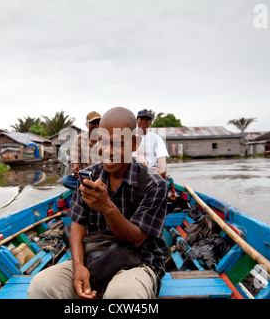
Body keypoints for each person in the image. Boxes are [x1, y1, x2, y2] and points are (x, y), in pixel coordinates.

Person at [28, 107, 168, 299]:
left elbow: (136, 239)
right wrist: (78, 267)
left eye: (118, 144)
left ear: (134, 143)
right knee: (41, 286)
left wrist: (107, 207)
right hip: (95, 257)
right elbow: (77, 225)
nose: (108, 151)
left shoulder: (155, 184)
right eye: (102, 141)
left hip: (138, 260)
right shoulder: (89, 177)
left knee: (125, 295)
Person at [61, 111, 101, 189]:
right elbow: (75, 157)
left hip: (101, 177)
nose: (96, 126)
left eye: (98, 123)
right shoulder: (79, 138)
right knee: (66, 180)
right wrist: (76, 168)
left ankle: (89, 187)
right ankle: (92, 187)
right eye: (93, 123)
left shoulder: (105, 139)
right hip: (86, 177)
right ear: (87, 125)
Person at [133, 109, 169, 179]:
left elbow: (161, 159)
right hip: (134, 172)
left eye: (147, 120)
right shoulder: (130, 137)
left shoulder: (157, 139)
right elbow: (132, 161)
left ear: (150, 122)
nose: (144, 122)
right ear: (136, 120)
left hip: (152, 173)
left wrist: (161, 170)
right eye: (141, 119)